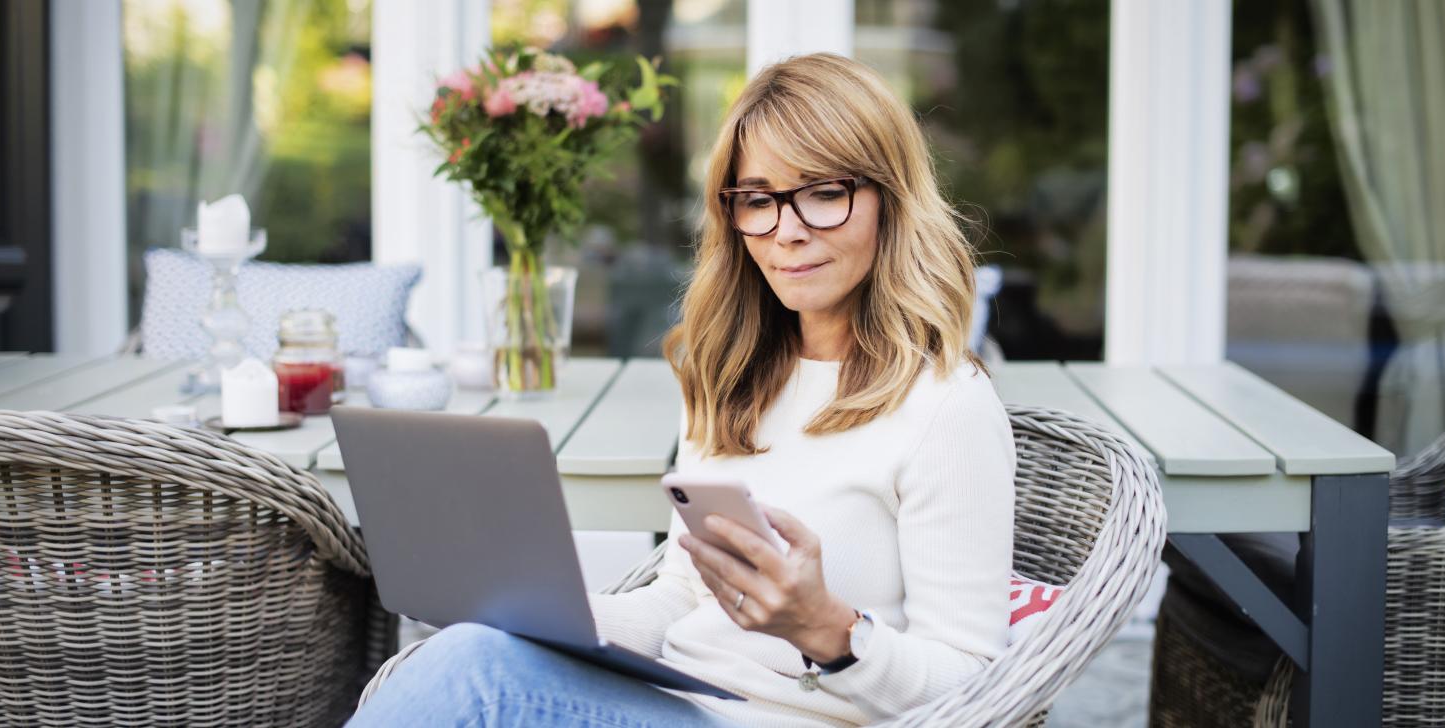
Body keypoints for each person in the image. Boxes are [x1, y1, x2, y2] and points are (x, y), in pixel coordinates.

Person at [350, 52, 1016, 728]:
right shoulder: (732, 376)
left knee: (475, 681)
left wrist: (827, 630)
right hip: (680, 703)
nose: (786, 230)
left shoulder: (947, 408)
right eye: (758, 199)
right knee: (474, 648)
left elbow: (975, 682)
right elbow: (680, 599)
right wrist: (537, 609)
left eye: (823, 192)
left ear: (889, 199)